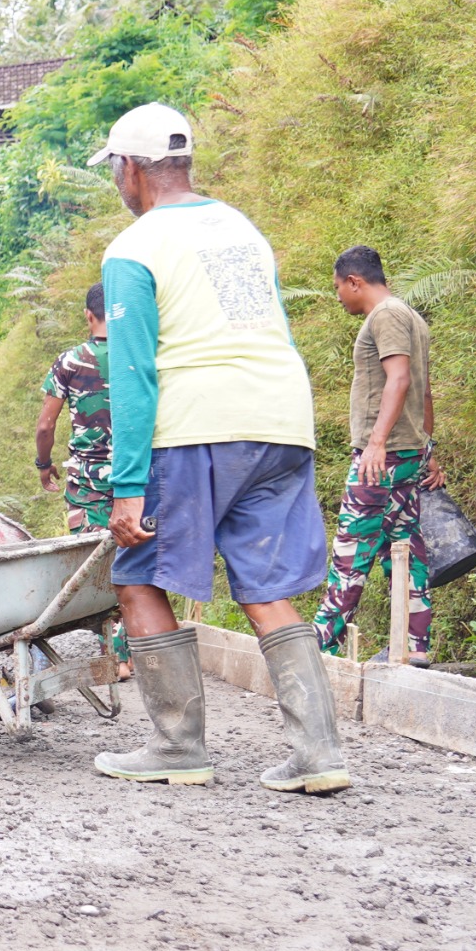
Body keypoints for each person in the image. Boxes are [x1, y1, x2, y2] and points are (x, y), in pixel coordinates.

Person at [89, 103, 347, 794]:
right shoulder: (241, 228)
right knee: (267, 588)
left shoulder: (135, 247)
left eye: (115, 169)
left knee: (137, 575)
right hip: (282, 418)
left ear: (131, 168)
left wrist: (128, 485)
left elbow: (134, 372)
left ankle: (177, 746)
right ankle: (318, 753)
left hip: (198, 424)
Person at [312, 245, 438, 664]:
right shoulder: (411, 317)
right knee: (404, 546)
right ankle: (413, 647)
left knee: (352, 548)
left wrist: (377, 442)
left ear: (355, 281)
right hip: (406, 453)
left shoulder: (385, 315)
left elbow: (400, 380)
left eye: (338, 288)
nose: (338, 297)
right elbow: (425, 390)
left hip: (381, 459)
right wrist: (428, 448)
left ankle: (319, 648)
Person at [37, 283, 128, 669]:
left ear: (89, 315)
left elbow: (46, 425)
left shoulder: (70, 361)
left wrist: (44, 464)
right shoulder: (139, 356)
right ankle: (129, 653)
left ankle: (113, 654)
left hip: (88, 481)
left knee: (93, 564)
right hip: (136, 476)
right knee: (133, 559)